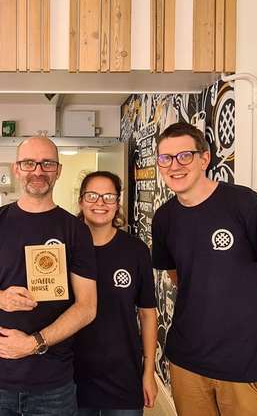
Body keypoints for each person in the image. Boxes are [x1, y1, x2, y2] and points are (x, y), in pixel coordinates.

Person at [151, 122, 257, 416]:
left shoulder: (245, 204)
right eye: (165, 158)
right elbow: (179, 277)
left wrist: (248, 317)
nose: (174, 166)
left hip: (246, 360)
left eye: (184, 156)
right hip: (188, 361)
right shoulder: (164, 219)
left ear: (205, 158)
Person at [0, 136, 98, 416]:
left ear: (58, 170)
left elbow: (87, 307)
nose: (38, 171)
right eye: (29, 163)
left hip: (52, 383)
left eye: (47, 164)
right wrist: (1, 298)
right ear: (17, 169)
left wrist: (34, 343)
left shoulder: (75, 230)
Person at [73, 171, 158, 416]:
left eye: (109, 196)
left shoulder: (136, 251)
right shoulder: (65, 249)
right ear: (81, 201)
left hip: (123, 375)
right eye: (92, 195)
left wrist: (148, 372)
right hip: (72, 374)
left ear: (118, 203)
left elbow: (147, 315)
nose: (100, 203)